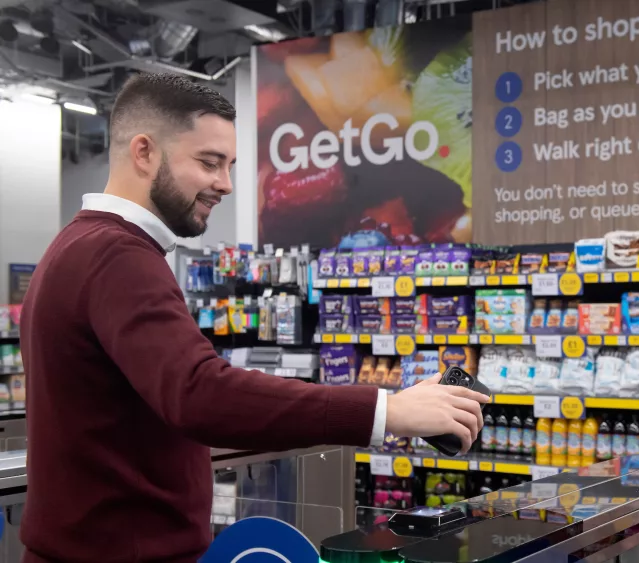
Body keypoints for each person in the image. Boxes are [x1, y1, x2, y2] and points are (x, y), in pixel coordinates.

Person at [18, 73, 489, 563]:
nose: (225, 183)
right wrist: (388, 412)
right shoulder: (118, 255)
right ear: (144, 153)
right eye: (209, 162)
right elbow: (199, 393)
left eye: (231, 165)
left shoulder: (76, 244)